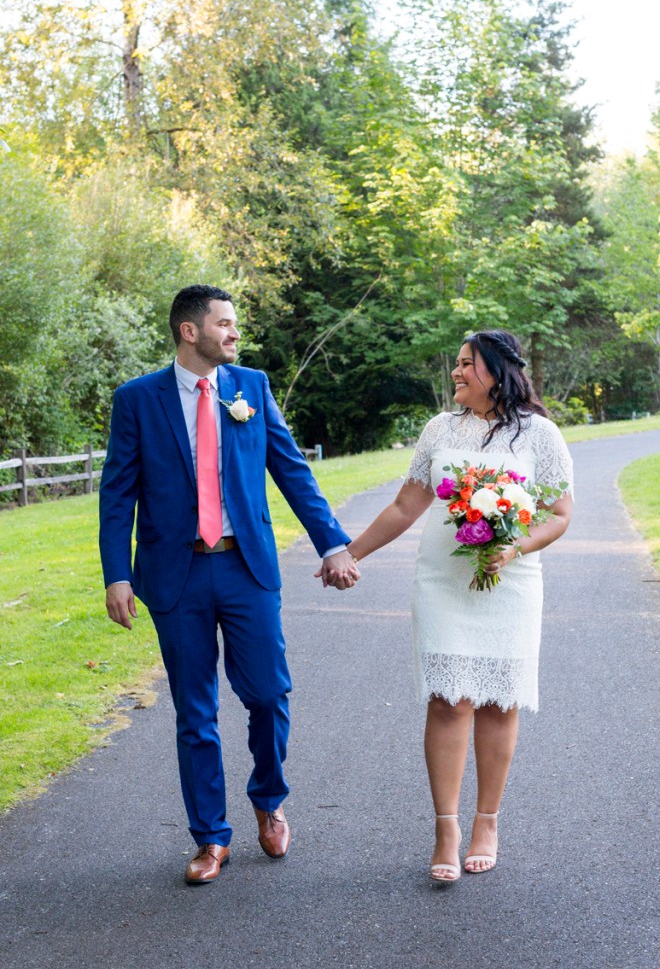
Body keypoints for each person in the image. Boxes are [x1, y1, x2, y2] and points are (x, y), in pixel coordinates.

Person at [99, 285, 359, 884]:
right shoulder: (137, 400)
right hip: (174, 575)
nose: (235, 333)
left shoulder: (252, 388)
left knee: (268, 695)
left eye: (235, 324)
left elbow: (291, 469)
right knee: (195, 712)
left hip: (246, 569)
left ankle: (268, 800)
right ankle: (210, 838)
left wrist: (333, 542)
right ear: (191, 331)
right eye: (225, 324)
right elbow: (117, 495)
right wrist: (117, 573)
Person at [347, 330, 573, 882]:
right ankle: (445, 828)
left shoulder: (539, 435)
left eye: (466, 364)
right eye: (456, 364)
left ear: (495, 372)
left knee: (499, 701)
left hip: (511, 583)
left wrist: (514, 545)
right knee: (449, 700)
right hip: (443, 580)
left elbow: (560, 513)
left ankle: (486, 822)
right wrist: (348, 554)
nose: (456, 373)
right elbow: (407, 505)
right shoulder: (439, 430)